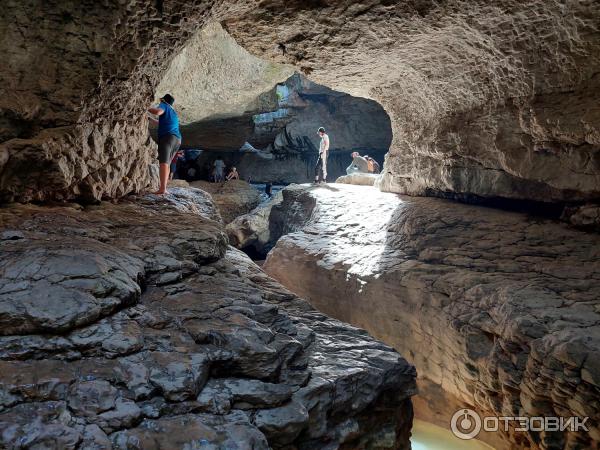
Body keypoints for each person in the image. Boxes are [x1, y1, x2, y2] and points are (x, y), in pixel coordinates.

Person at [147, 93, 181, 194]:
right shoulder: (173, 112)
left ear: (163, 100)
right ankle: (164, 188)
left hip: (167, 137)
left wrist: (146, 108)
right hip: (177, 140)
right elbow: (160, 123)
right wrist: (149, 118)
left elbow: (158, 112)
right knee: (167, 164)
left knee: (163, 163)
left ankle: (162, 189)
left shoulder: (164, 105)